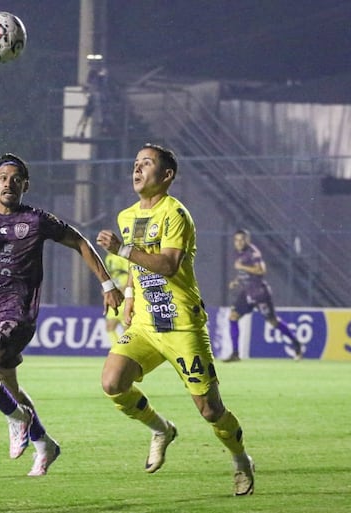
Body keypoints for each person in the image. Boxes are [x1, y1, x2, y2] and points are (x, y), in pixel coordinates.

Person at [0, 153, 123, 477]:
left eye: (16, 179)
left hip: (17, 314)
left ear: (25, 186)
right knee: (9, 386)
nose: (9, 184)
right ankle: (45, 444)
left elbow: (80, 242)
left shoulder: (35, 220)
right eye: (3, 178)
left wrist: (107, 283)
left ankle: (18, 420)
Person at [96, 143, 255, 496]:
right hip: (145, 326)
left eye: (147, 164)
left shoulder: (176, 214)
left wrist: (120, 249)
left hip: (181, 324)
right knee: (112, 382)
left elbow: (168, 265)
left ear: (166, 176)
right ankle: (161, 428)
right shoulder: (127, 217)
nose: (137, 169)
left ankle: (241, 460)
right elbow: (138, 268)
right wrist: (132, 297)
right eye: (135, 163)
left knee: (211, 410)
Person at [224, 229, 303, 362]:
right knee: (233, 317)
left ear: (247, 240)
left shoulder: (253, 252)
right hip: (247, 292)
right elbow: (244, 272)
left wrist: (242, 267)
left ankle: (296, 344)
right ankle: (235, 353)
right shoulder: (239, 253)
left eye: (241, 240)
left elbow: (261, 270)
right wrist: (236, 281)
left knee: (273, 321)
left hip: (259, 293)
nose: (238, 242)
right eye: (236, 240)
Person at [103, 251, 130, 345]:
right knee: (110, 326)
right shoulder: (108, 258)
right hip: (115, 295)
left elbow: (131, 272)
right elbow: (111, 276)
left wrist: (127, 288)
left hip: (125, 297)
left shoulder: (120, 257)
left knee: (126, 330)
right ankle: (117, 349)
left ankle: (125, 351)